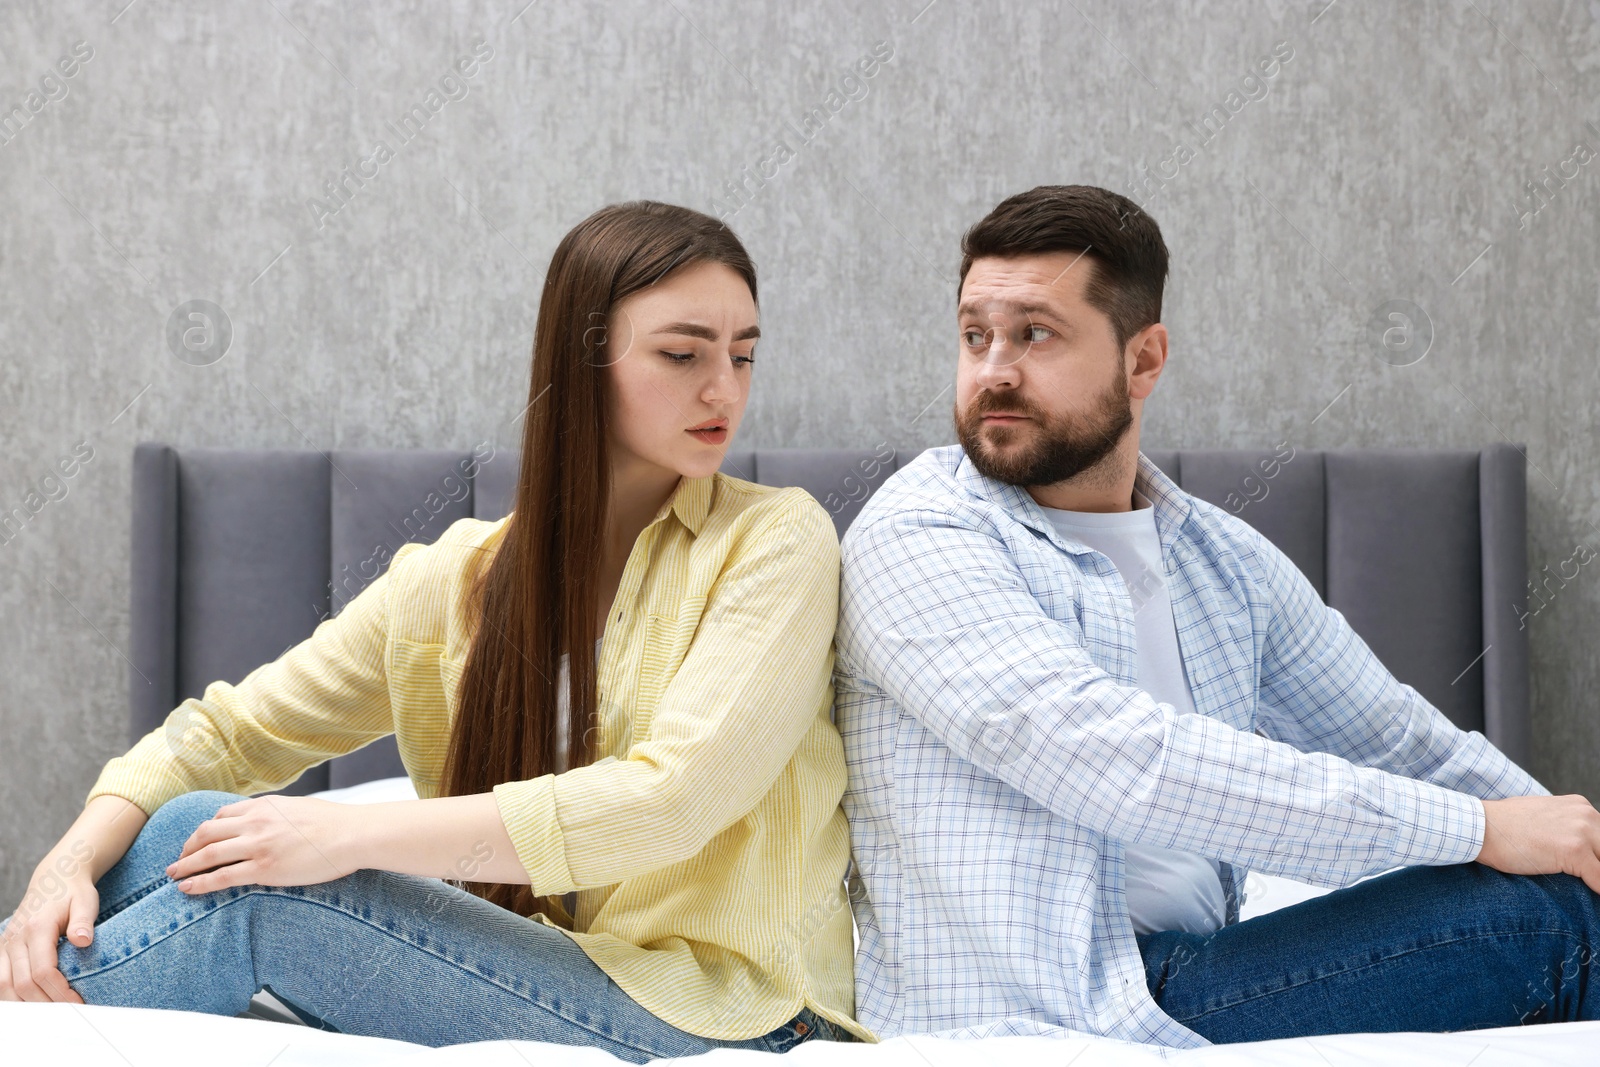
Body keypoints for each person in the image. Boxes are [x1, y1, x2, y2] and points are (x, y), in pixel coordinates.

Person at [0, 200, 873, 1059]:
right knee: (186, 823)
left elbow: (671, 798)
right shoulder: (454, 580)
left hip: (732, 1014)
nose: (724, 387)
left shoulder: (774, 541)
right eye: (683, 353)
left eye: (744, 354)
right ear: (583, 363)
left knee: (258, 896)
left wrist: (337, 836)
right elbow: (226, 732)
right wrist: (60, 865)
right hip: (565, 970)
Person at [834, 183, 1600, 1048]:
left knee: (1571, 901)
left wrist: (1571, 840)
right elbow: (1125, 762)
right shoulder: (919, 532)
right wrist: (1481, 829)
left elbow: (1399, 741)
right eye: (976, 335)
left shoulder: (1219, 559)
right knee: (1552, 926)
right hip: (1056, 1014)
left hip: (1208, 968)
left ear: (1143, 360)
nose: (994, 369)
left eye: (1035, 334)